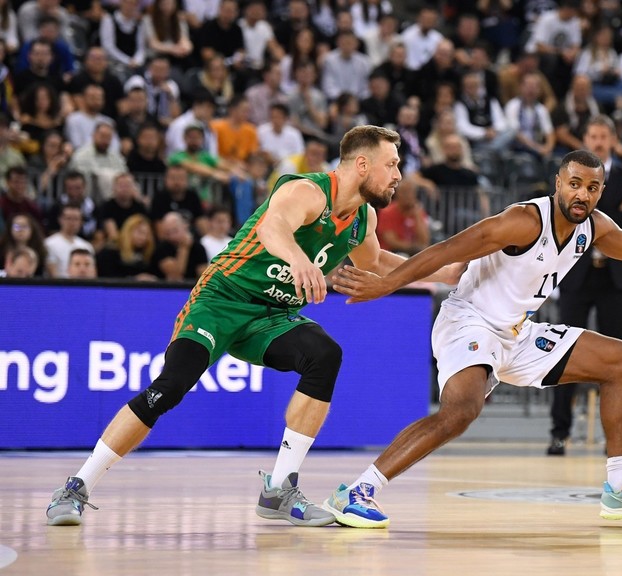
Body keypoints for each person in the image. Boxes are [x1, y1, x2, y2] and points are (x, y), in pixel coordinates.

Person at [46, 125, 461, 527]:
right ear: (363, 165)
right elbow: (271, 226)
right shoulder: (307, 191)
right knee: (169, 387)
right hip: (221, 300)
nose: (399, 175)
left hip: (270, 315)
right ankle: (76, 486)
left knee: (325, 354)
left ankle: (278, 490)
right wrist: (298, 259)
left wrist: (444, 273)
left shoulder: (361, 220)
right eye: (392, 164)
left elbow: (374, 262)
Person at [326, 150, 622, 528]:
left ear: (601, 191)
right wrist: (388, 284)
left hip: (518, 333)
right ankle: (358, 491)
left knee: (621, 360)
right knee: (461, 411)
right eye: (574, 185)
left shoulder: (595, 227)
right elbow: (448, 250)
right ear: (558, 184)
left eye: (592, 187)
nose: (582, 195)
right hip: (469, 321)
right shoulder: (523, 220)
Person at [549, 115, 622, 455]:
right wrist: (615, 212)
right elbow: (572, 216)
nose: (598, 141)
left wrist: (602, 216)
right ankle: (559, 433)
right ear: (584, 139)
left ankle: (614, 440)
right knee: (562, 356)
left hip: (615, 279)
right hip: (577, 276)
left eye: (604, 136)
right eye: (593, 136)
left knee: (615, 360)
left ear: (613, 141)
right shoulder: (574, 178)